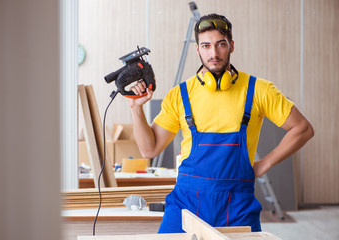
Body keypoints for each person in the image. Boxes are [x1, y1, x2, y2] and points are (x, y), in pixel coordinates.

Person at [128, 14, 314, 233]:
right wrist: (136, 108)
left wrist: (264, 164)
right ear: (197, 49)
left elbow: (303, 129)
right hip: (186, 203)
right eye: (206, 46)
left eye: (220, 45)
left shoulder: (258, 90)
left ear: (231, 46)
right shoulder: (180, 95)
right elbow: (148, 149)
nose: (213, 53)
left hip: (238, 205)